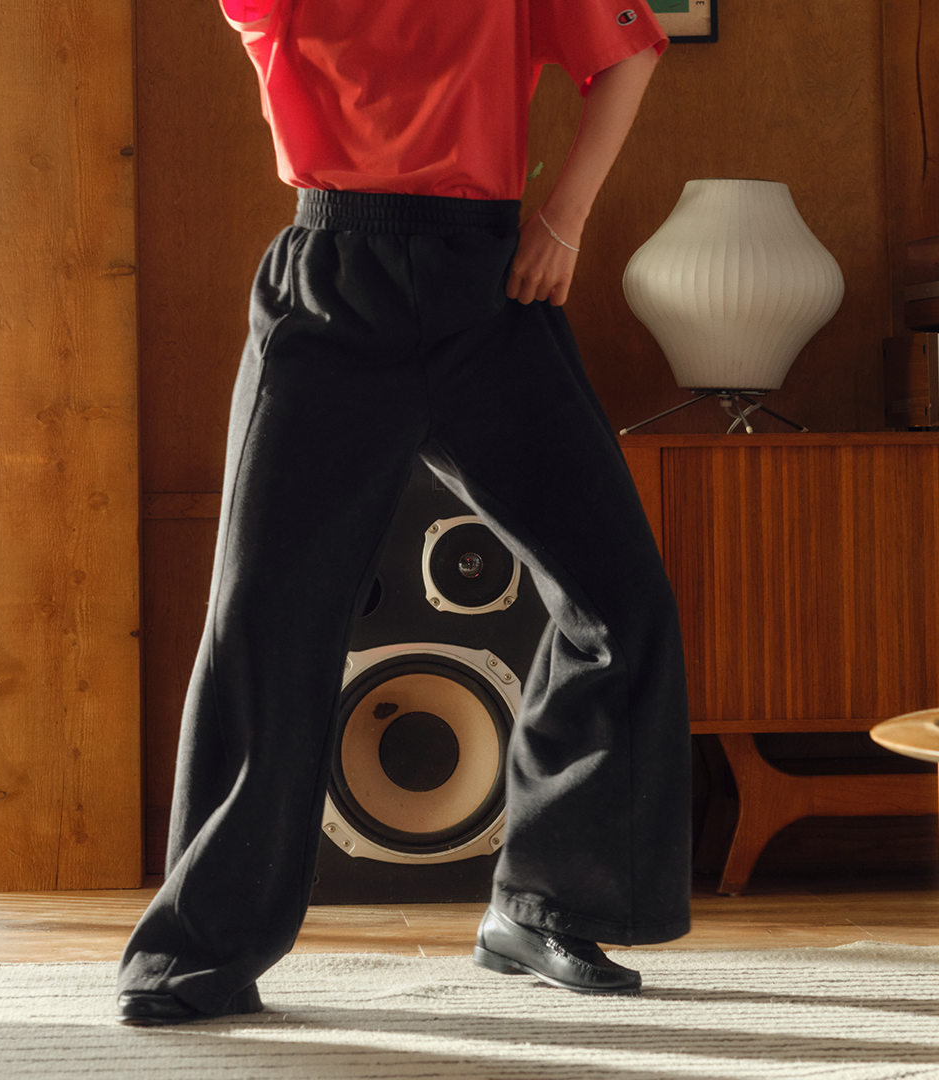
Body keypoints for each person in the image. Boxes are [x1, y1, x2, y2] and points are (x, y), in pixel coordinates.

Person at [116, 0, 692, 1025]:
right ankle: (198, 951)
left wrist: (563, 218)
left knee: (621, 604)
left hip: (492, 287)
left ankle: (545, 904)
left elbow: (631, 51)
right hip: (334, 281)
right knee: (264, 624)